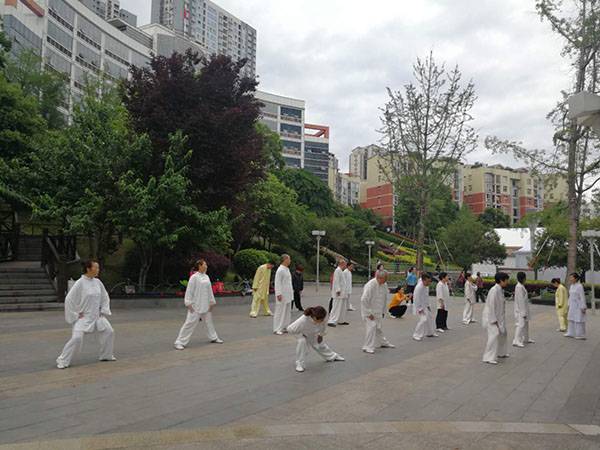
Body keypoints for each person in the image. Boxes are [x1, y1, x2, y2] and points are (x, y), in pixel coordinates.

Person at [56, 260, 116, 369]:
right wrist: (75, 314)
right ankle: (63, 360)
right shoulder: (80, 283)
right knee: (77, 338)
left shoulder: (98, 282)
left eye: (98, 267)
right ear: (88, 269)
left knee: (109, 331)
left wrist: (103, 310)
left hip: (97, 316)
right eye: (96, 267)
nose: (98, 270)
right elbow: (69, 299)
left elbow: (105, 296)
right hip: (84, 317)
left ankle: (106, 355)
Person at [174, 259, 224, 350]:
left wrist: (212, 302)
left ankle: (214, 337)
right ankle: (179, 342)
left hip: (206, 304)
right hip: (195, 305)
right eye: (205, 264)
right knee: (190, 323)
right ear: (200, 266)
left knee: (209, 322)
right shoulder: (194, 277)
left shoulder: (206, 277)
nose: (206, 266)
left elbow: (209, 290)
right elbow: (189, 291)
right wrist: (188, 303)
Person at [287, 306, 345, 373]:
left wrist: (321, 335)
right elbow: (289, 329)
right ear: (314, 317)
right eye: (320, 320)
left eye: (322, 319)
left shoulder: (322, 318)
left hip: (313, 333)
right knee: (302, 343)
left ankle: (333, 356)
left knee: (320, 345)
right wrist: (301, 335)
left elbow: (323, 327)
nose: (322, 321)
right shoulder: (302, 320)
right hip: (301, 333)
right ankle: (300, 363)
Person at [361, 270, 395, 353]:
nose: (386, 280)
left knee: (378, 328)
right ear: (379, 278)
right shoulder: (370, 285)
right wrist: (368, 313)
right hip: (369, 311)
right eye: (385, 279)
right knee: (372, 327)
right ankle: (367, 346)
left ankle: (383, 342)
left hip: (378, 311)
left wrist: (384, 311)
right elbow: (363, 300)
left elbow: (384, 298)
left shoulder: (384, 284)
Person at [482, 272, 510, 365]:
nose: (507, 282)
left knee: (503, 334)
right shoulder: (494, 290)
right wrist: (494, 320)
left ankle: (501, 352)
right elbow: (491, 306)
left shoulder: (500, 290)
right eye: (506, 280)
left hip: (499, 317)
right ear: (501, 280)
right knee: (493, 336)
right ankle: (488, 357)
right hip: (492, 317)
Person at [412, 272, 437, 341]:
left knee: (430, 318)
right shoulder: (419, 287)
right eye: (428, 281)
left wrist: (428, 305)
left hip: (425, 305)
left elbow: (426, 297)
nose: (429, 283)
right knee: (423, 319)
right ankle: (416, 335)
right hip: (419, 306)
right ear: (423, 280)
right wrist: (420, 309)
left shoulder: (426, 286)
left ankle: (430, 332)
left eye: (430, 281)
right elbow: (416, 299)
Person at [273, 254, 294, 335]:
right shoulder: (280, 270)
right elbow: (277, 282)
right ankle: (277, 328)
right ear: (285, 259)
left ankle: (285, 327)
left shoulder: (287, 269)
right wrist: (278, 293)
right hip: (282, 294)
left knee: (287, 312)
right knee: (280, 311)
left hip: (288, 293)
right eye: (289, 259)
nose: (290, 261)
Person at [512, 271, 534, 348]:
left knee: (526, 325)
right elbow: (520, 301)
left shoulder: (521, 286)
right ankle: (516, 340)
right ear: (523, 278)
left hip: (524, 309)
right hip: (520, 310)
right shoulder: (519, 287)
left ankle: (526, 338)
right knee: (520, 325)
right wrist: (523, 313)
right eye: (525, 278)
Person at [565, 272, 587, 340]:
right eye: (570, 277)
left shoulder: (579, 286)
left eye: (571, 277)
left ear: (576, 278)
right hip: (572, 305)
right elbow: (570, 296)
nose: (570, 279)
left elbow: (582, 297)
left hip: (578, 305)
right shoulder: (571, 286)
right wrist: (568, 305)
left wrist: (583, 307)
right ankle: (570, 333)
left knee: (578, 320)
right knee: (570, 319)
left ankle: (580, 335)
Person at [328, 259, 348, 327]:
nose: (346, 266)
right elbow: (336, 281)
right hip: (339, 293)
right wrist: (338, 290)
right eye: (345, 264)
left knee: (342, 308)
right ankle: (331, 320)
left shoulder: (340, 271)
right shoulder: (337, 270)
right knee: (336, 307)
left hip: (342, 293)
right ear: (342, 264)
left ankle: (341, 320)